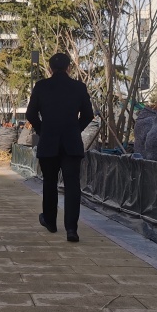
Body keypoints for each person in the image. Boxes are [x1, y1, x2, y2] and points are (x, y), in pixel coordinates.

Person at [25, 52, 95, 242]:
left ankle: (50, 221)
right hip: (71, 143)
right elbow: (88, 115)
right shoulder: (78, 87)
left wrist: (42, 130)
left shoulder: (41, 86)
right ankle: (71, 229)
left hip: (48, 142)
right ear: (69, 68)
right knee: (72, 185)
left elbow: (31, 114)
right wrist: (75, 129)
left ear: (50, 69)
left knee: (49, 182)